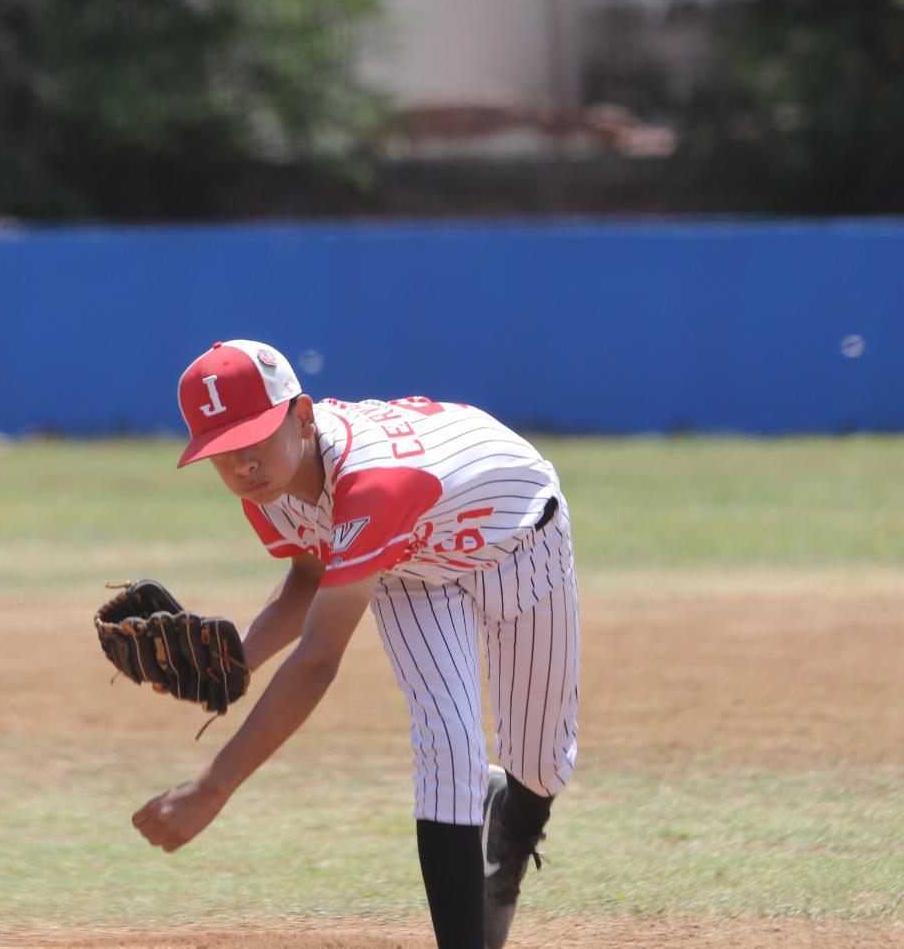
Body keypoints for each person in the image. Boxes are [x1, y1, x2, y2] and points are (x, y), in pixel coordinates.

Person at [130, 339, 580, 949]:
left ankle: (508, 826)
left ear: (303, 416)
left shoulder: (372, 484)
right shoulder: (267, 489)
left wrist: (214, 786)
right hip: (408, 566)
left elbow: (317, 662)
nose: (242, 466)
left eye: (256, 438)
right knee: (447, 751)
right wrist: (238, 661)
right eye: (222, 452)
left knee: (542, 763)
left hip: (518, 541)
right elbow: (313, 573)